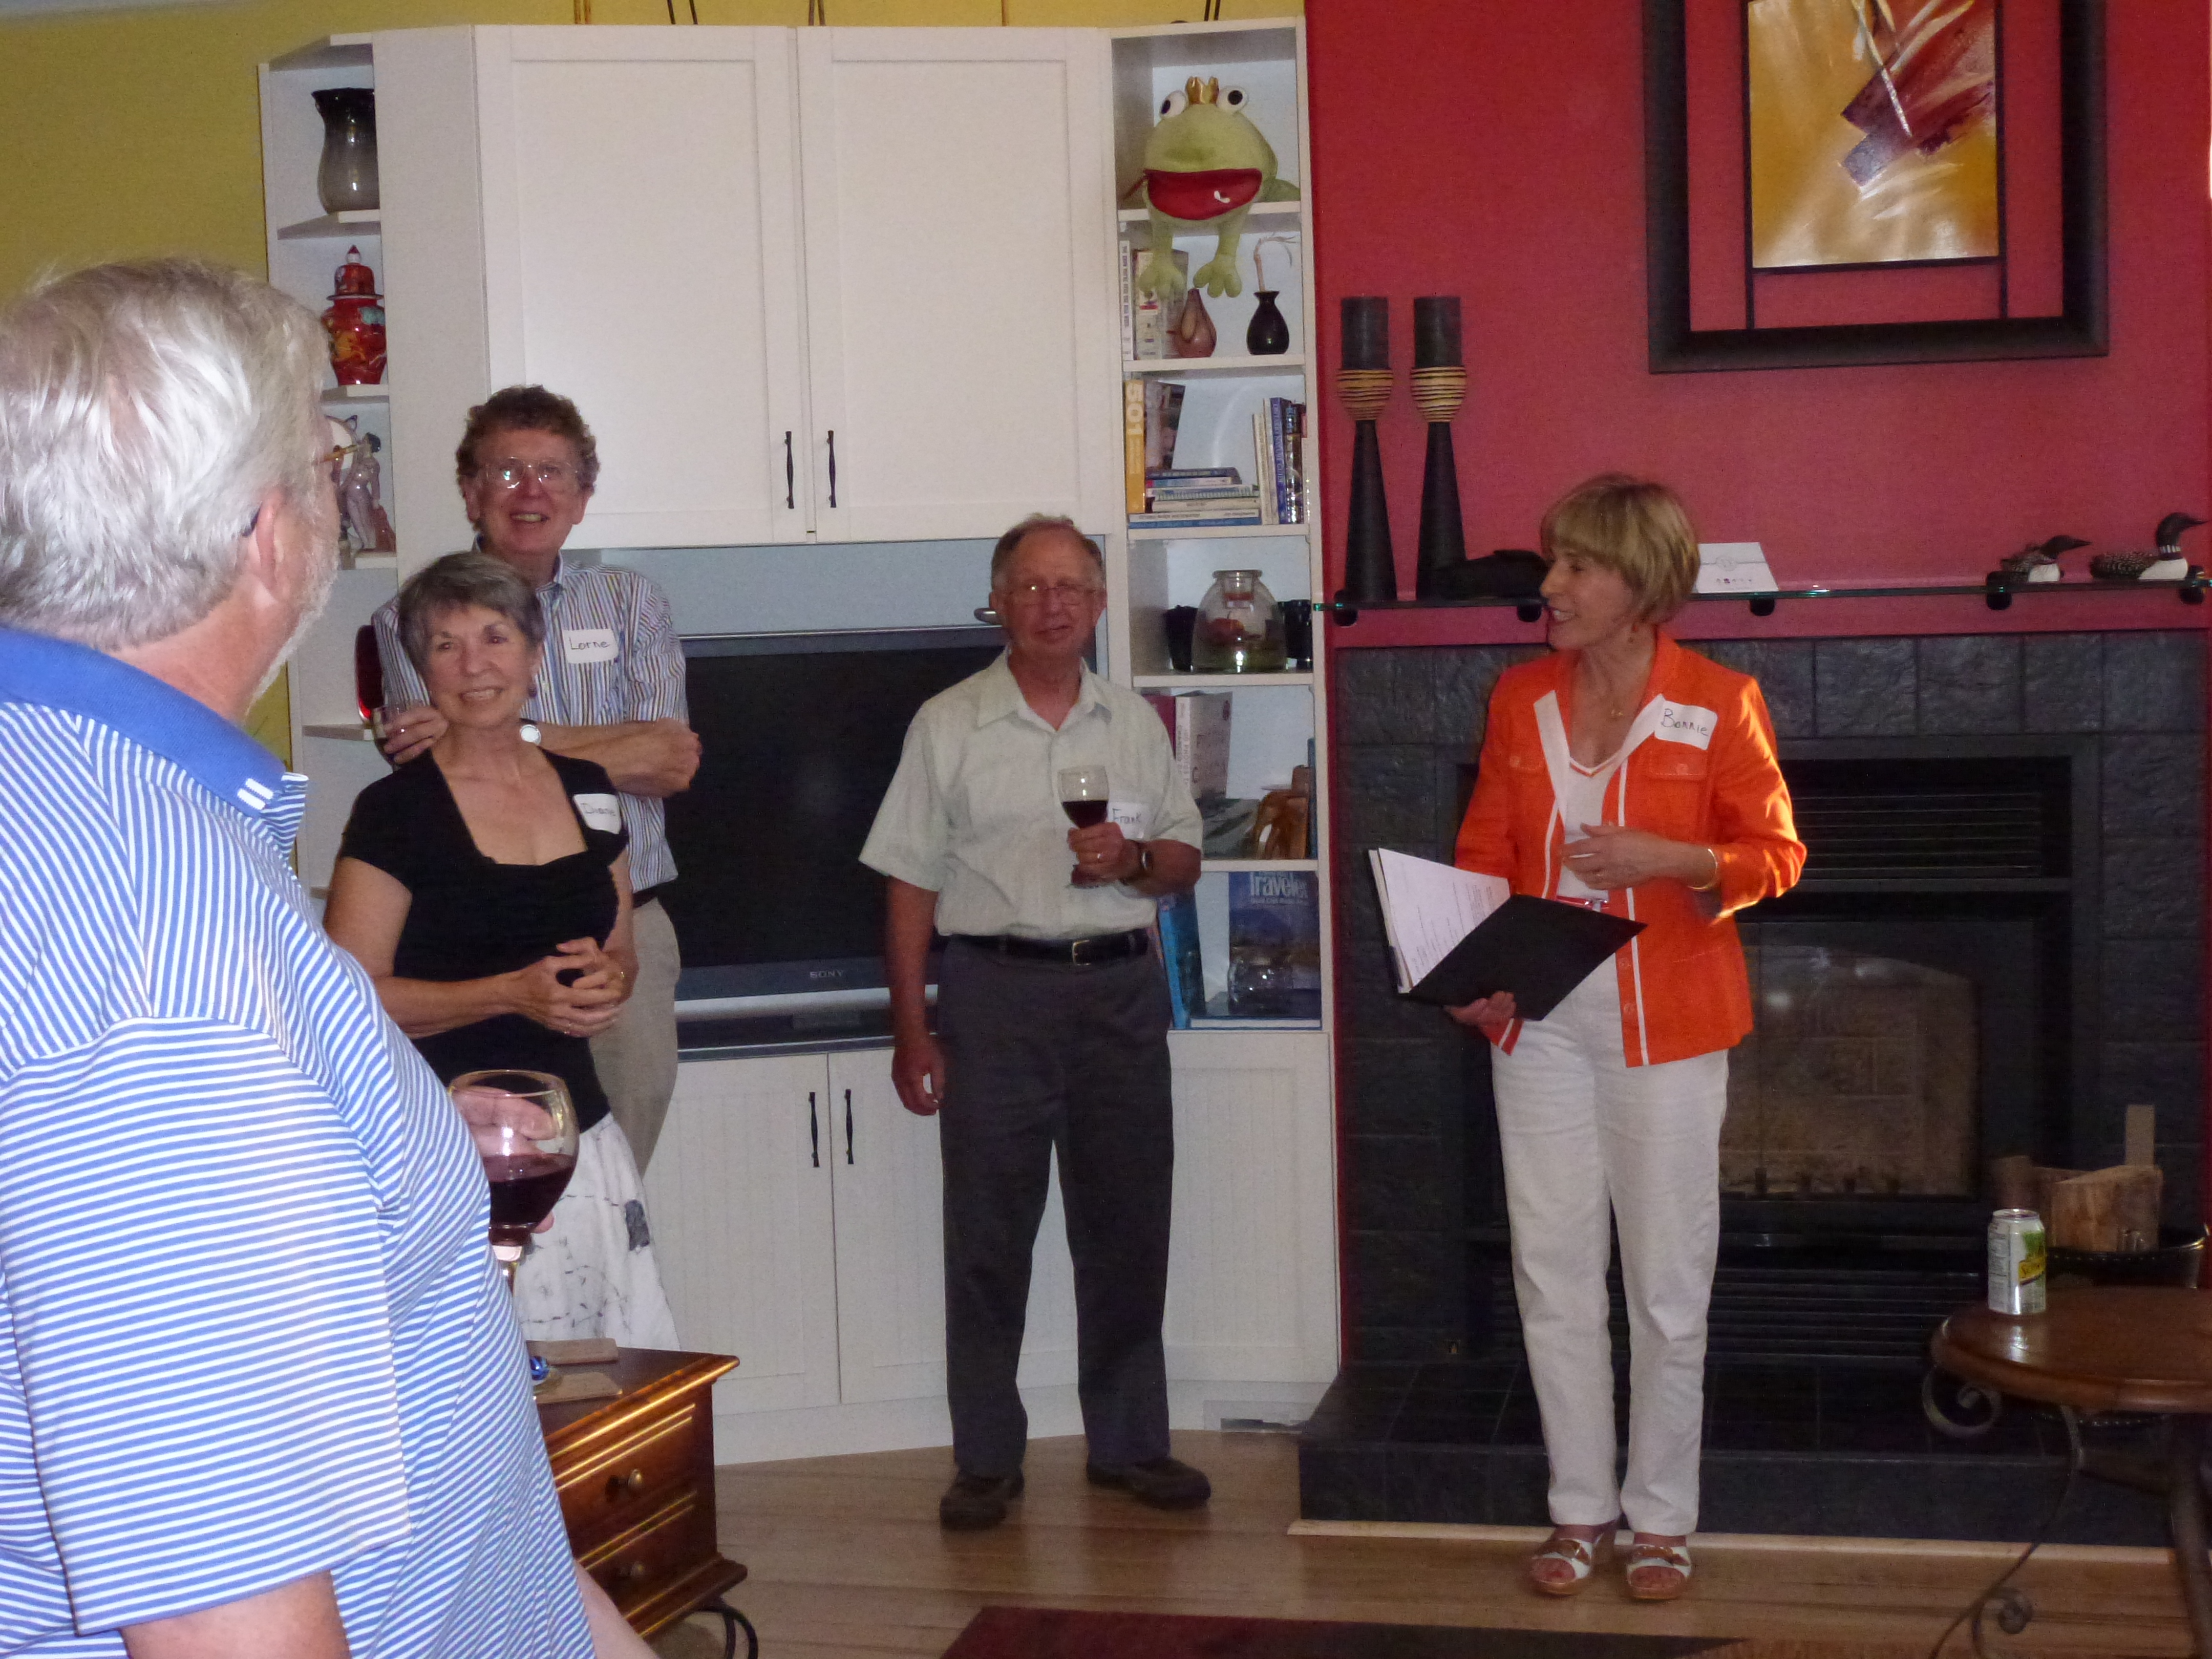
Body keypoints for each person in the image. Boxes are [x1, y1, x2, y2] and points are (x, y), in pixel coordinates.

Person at [0, 260, 655, 1656]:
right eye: (333, 464)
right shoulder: (163, 956)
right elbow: (221, 1606)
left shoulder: (79, 796)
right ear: (265, 532)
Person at [1449, 475, 1804, 1603]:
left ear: (1640, 585)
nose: (1550, 586)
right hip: (1540, 1023)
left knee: (1664, 1281)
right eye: (1553, 563)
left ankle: (1661, 1520)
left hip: (1672, 1026)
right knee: (1552, 1271)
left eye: (1576, 567)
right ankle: (1579, 1509)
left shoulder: (1720, 699)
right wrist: (1471, 976)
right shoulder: (1520, 698)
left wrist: (1679, 861)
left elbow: (1778, 857)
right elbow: (1483, 853)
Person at [861, 514, 1209, 1532]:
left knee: (1128, 1230)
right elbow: (908, 886)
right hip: (995, 998)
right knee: (987, 1237)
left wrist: (1134, 864)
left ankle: (1131, 1443)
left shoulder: (1133, 722)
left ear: (1099, 605)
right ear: (998, 603)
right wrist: (912, 1031)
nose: (1051, 605)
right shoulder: (948, 724)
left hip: (1120, 996)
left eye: (1070, 587)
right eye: (1030, 586)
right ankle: (985, 1460)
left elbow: (1184, 856)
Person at [327, 551, 680, 1348]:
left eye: (495, 637)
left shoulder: (589, 788)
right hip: (450, 1149)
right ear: (423, 672)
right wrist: (510, 993)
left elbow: (619, 951)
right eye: (446, 645)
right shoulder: (394, 812)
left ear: (534, 655)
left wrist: (610, 980)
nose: (474, 665)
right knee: (488, 1381)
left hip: (579, 1138)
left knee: (600, 1375)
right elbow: (347, 1000)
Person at [372, 387, 698, 1173]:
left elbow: (669, 761)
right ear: (470, 491)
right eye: (507, 470)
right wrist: (606, 748)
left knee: (617, 1172)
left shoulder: (632, 604)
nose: (531, 491)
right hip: (471, 948)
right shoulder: (410, 618)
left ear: (583, 498)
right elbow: (442, 775)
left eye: (552, 473)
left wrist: (501, 733)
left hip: (620, 939)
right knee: (484, 1178)